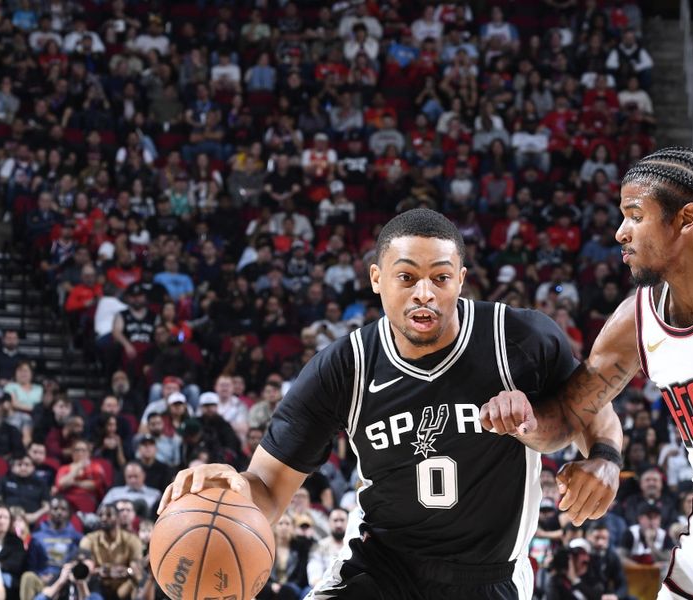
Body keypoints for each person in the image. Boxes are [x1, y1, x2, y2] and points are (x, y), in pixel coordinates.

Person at [161, 208, 621, 599]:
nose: (425, 293)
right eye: (407, 277)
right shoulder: (345, 367)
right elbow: (268, 486)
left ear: (461, 280)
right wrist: (231, 490)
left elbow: (593, 408)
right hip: (381, 569)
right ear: (377, 279)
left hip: (488, 577)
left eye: (441, 277)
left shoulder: (519, 338)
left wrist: (604, 456)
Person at [480, 147, 693, 599]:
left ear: (686, 219)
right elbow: (568, 414)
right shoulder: (634, 322)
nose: (621, 232)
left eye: (635, 216)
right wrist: (522, 422)